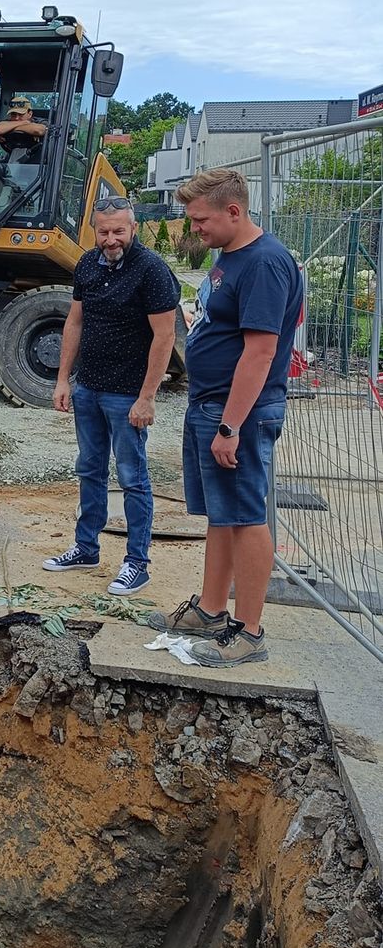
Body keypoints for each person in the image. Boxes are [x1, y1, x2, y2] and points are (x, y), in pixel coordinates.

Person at [147, 168, 303, 666]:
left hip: (240, 413)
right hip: (210, 403)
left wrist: (231, 426)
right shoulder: (230, 256)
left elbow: (260, 354)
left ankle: (250, 631)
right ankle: (211, 611)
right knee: (224, 514)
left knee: (246, 517)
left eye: (200, 220)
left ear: (233, 211)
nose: (194, 229)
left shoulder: (264, 264)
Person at [43, 197, 179, 594]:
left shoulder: (151, 270)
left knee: (133, 478)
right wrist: (64, 379)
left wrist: (147, 397)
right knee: (90, 469)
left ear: (133, 228)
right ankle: (86, 547)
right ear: (94, 231)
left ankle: (137, 563)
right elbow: (75, 321)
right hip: (88, 387)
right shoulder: (87, 264)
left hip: (127, 395)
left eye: (118, 230)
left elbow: (165, 336)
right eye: (103, 231)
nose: (111, 238)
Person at [0, 94, 47, 188]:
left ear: (30, 114)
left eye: (21, 114)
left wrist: (14, 127)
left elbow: (39, 130)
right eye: (13, 114)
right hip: (13, 169)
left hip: (38, 171)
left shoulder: (41, 122)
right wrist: (24, 123)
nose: (16, 118)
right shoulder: (8, 122)